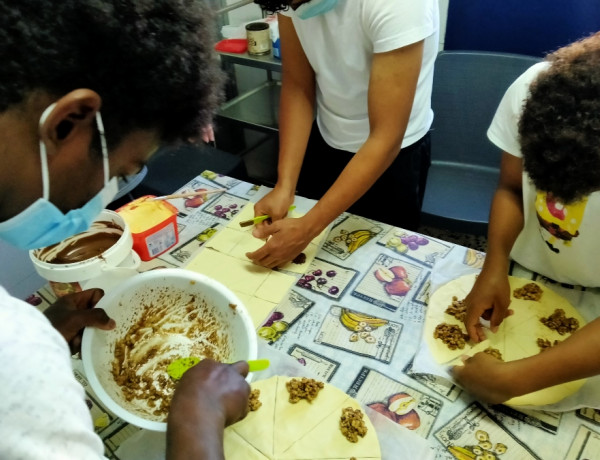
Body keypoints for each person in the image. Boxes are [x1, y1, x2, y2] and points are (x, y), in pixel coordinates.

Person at [0, 1, 249, 458]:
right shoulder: (13, 350)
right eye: (121, 171)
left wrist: (44, 331)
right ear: (68, 123)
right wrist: (199, 415)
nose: (109, 191)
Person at [453, 32, 600, 404]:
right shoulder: (534, 90)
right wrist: (496, 262)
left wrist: (514, 380)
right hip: (527, 269)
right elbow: (510, 188)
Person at [247, 0, 439, 268]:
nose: (293, 8)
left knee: (377, 267)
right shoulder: (288, 1)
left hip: (393, 157)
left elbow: (386, 137)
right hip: (328, 137)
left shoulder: (399, 5)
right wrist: (284, 185)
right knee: (310, 265)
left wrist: (308, 228)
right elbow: (298, 85)